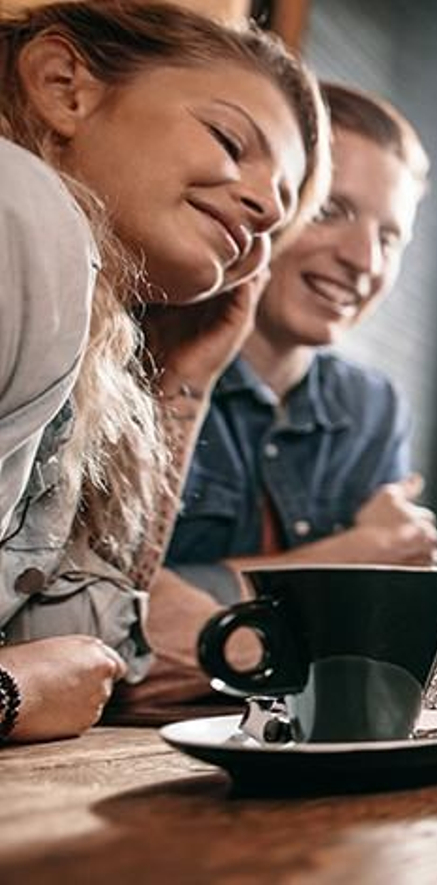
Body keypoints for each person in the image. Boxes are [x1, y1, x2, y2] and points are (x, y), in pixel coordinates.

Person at [0, 0, 326, 738]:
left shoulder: (72, 306)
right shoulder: (19, 210)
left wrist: (185, 381)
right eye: (229, 140)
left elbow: (88, 655)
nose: (263, 209)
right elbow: (37, 677)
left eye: (279, 210)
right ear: (64, 86)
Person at [162, 82, 437, 606]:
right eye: (331, 211)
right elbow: (111, 610)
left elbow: (374, 617)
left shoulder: (372, 409)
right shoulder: (147, 372)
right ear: (266, 202)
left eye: (388, 238)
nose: (365, 261)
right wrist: (349, 558)